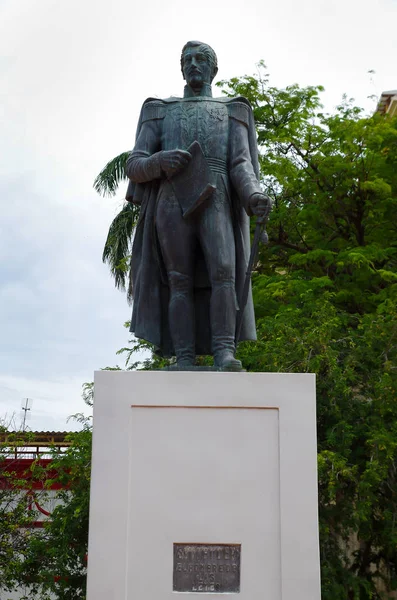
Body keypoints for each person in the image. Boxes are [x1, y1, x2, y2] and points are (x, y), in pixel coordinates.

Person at [125, 41, 270, 369]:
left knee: (223, 272)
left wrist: (253, 196)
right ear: (181, 67)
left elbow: (240, 165)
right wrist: (160, 161)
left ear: (213, 69)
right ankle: (184, 356)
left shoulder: (233, 110)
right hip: (171, 198)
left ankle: (224, 352)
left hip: (216, 193)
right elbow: (135, 164)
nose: (193, 64)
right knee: (178, 279)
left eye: (201, 58)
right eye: (187, 59)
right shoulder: (159, 110)